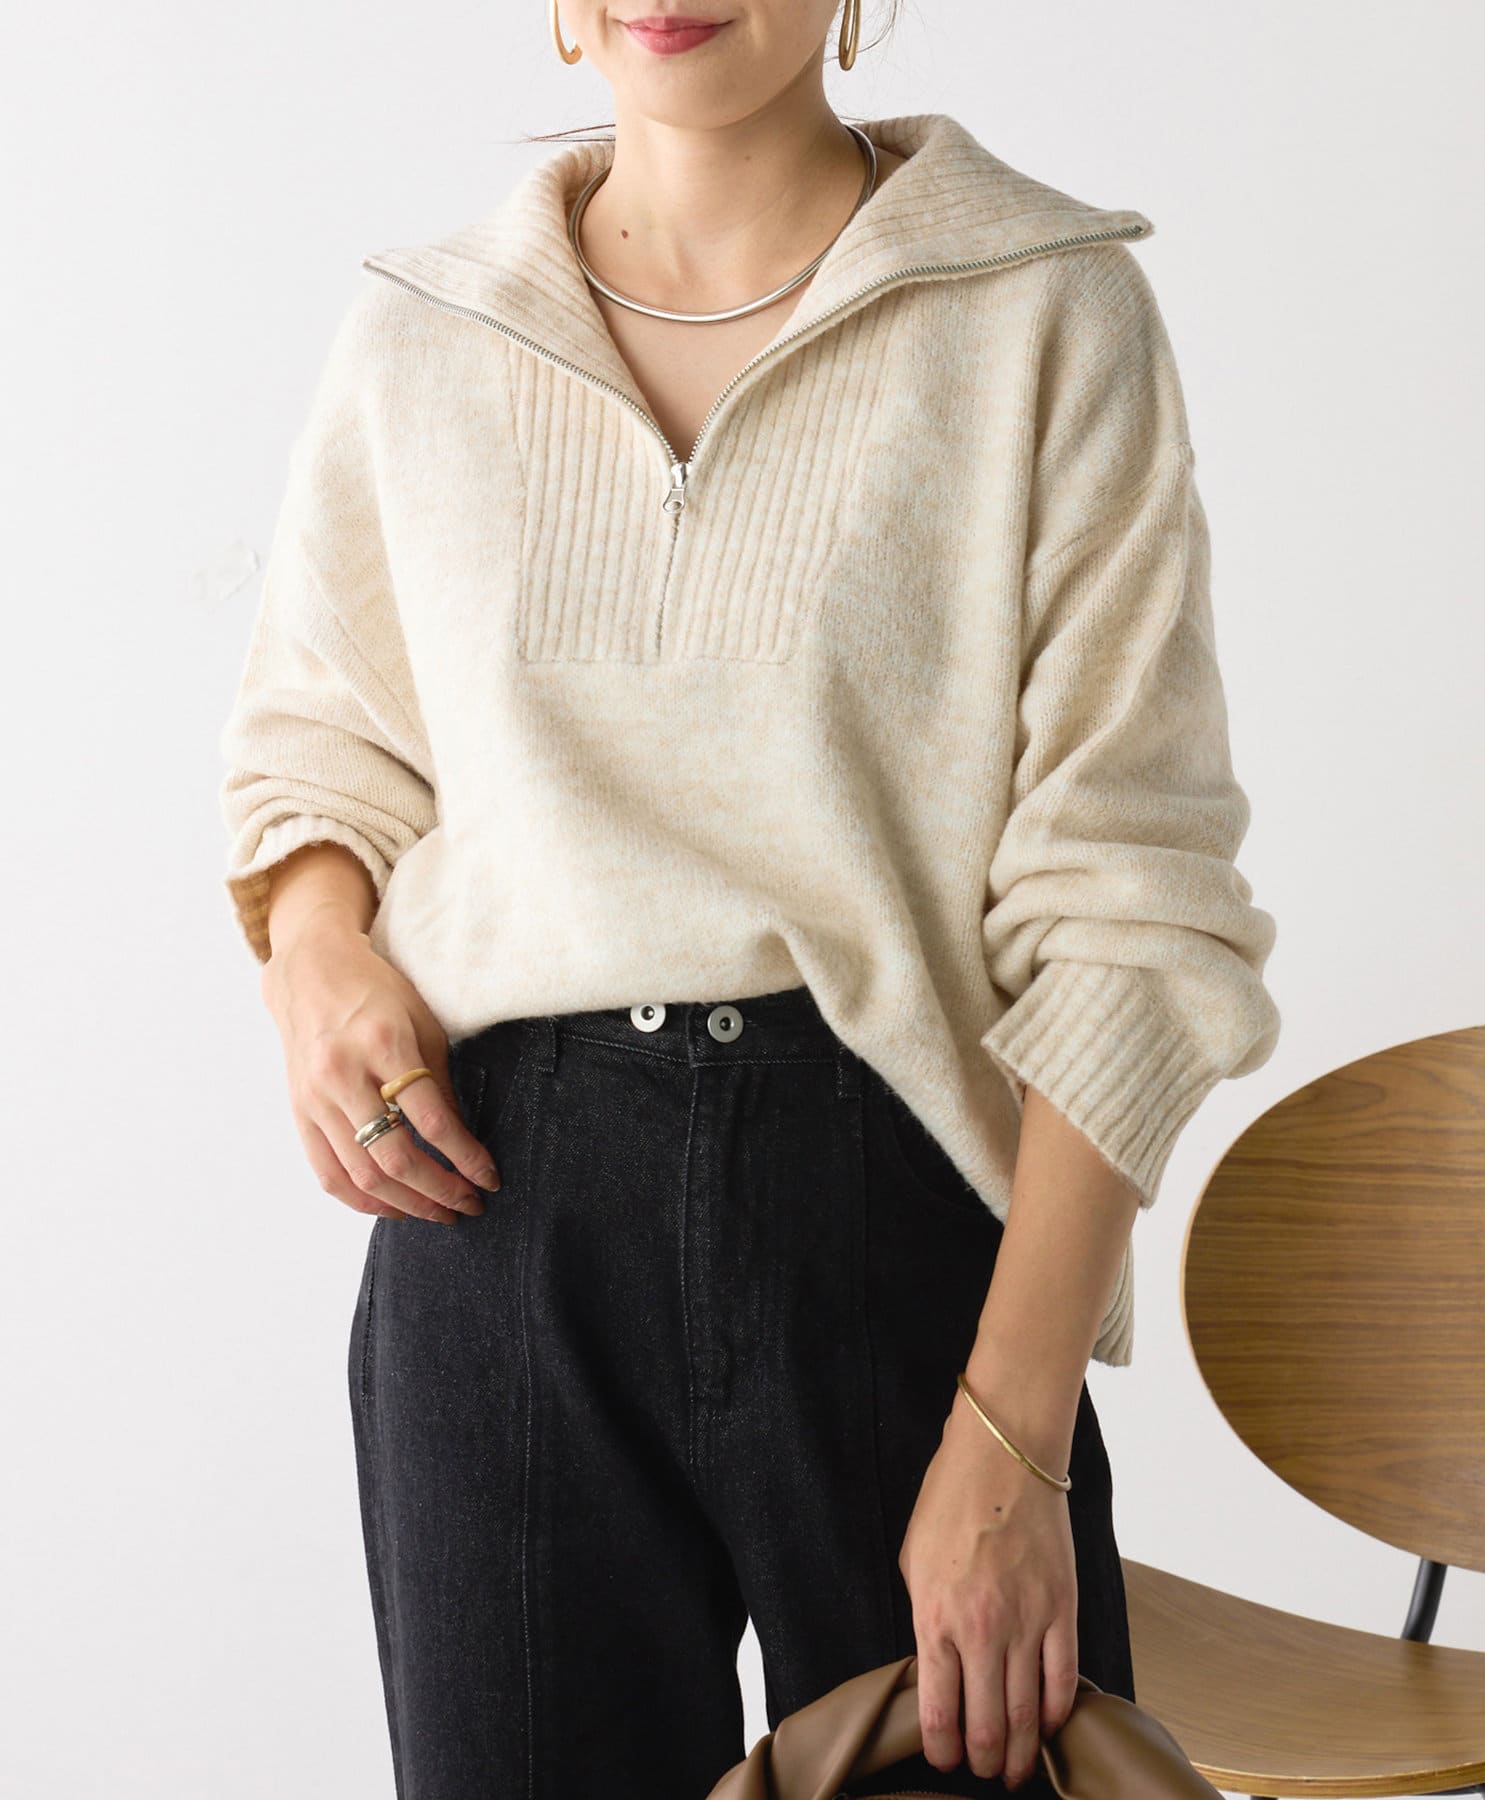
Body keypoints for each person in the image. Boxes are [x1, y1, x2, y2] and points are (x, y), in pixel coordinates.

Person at [216, 3, 1281, 1795]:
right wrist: (315, 951)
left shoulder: (1040, 310)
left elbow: (1132, 904)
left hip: (894, 1223)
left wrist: (1014, 1435)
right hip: (498, 1225)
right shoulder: (424, 330)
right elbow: (319, 751)